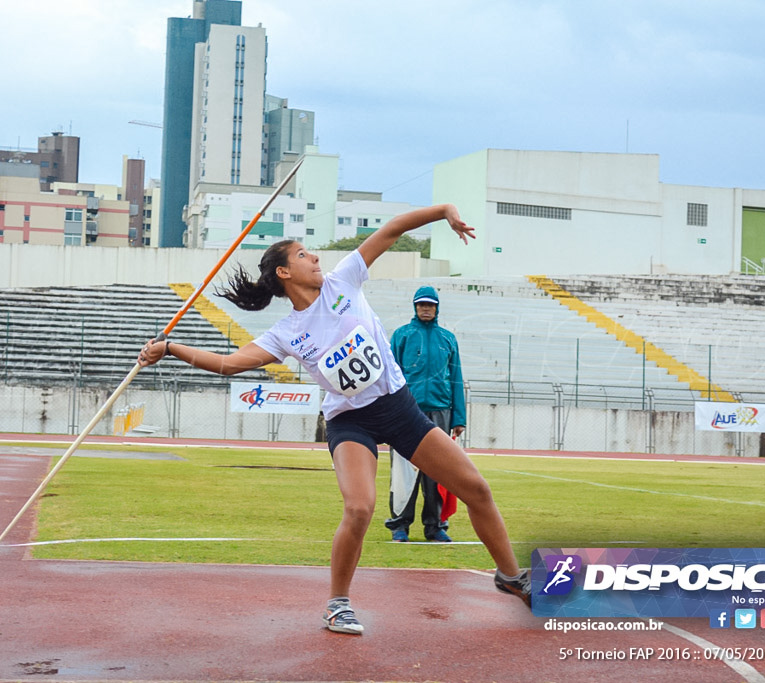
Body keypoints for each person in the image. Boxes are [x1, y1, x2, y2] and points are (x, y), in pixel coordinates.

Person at [138, 204, 530, 636]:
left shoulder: (345, 278)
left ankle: (510, 577)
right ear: (285, 273)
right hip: (350, 422)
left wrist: (445, 213)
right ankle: (337, 604)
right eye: (304, 255)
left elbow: (393, 228)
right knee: (359, 506)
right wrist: (171, 348)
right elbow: (230, 364)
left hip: (399, 409)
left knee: (476, 488)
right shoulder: (285, 332)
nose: (316, 258)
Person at [385, 285, 465, 543]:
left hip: (440, 410)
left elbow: (456, 378)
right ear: (415, 306)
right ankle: (400, 525)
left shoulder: (448, 338)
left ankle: (435, 526)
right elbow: (390, 375)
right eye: (421, 304)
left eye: (430, 304)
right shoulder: (402, 335)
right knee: (403, 469)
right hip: (406, 411)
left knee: (438, 471)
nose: (426, 308)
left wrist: (459, 418)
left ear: (437, 307)